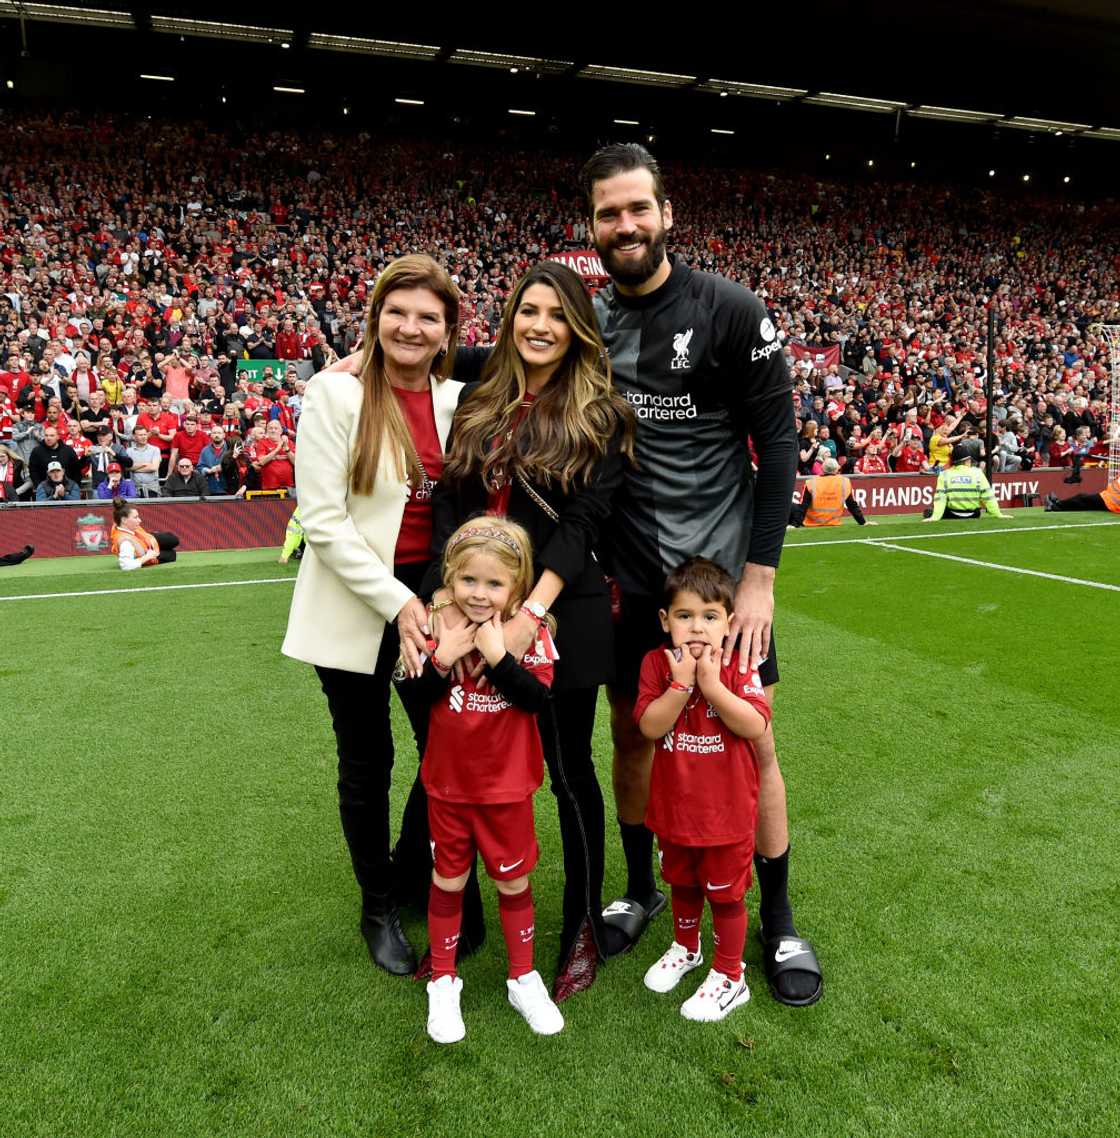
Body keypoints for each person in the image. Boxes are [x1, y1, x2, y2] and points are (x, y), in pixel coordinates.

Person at [582, 143, 821, 1006]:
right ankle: (644, 887)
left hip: (719, 585)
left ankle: (780, 917)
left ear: (667, 212)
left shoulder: (727, 310)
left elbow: (781, 442)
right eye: (610, 213)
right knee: (634, 734)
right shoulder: (588, 320)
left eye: (638, 208)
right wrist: (381, 360)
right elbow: (503, 357)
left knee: (751, 741)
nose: (626, 225)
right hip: (629, 577)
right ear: (594, 225)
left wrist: (760, 578)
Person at [424, 260, 636, 1000]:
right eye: (528, 311)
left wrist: (527, 616)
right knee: (453, 762)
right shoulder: (482, 396)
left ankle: (580, 929)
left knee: (568, 774)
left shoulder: (600, 411)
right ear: (511, 317)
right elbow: (451, 498)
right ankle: (461, 927)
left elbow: (582, 527)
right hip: (468, 604)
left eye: (556, 314)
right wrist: (453, 600)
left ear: (578, 327)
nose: (540, 325)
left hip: (556, 612)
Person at [281, 254, 473, 978]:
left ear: (449, 327)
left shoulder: (461, 396)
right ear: (375, 316)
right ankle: (378, 903)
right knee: (368, 761)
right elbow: (324, 521)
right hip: (361, 601)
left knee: (443, 752)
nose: (411, 327)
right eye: (398, 312)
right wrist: (399, 604)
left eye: (428, 315)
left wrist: (434, 598)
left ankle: (409, 869)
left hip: (437, 599)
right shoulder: (334, 396)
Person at [402, 518, 564, 1044]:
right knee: (448, 879)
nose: (480, 593)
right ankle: (444, 980)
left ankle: (523, 975)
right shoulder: (434, 622)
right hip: (447, 787)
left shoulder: (529, 631)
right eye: (469, 580)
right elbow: (416, 698)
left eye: (494, 584)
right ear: (450, 576)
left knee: (512, 881)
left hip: (507, 789)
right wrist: (443, 658)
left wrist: (496, 657)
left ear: (517, 586)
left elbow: (537, 700)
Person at [635, 558, 771, 1022]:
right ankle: (687, 947)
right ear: (665, 621)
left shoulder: (738, 664)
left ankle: (731, 976)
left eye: (710, 617)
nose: (697, 627)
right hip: (674, 811)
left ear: (729, 623)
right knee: (683, 884)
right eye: (685, 616)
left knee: (725, 896)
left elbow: (754, 724)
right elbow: (650, 728)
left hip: (726, 816)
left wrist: (711, 686)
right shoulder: (657, 663)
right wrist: (680, 685)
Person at [923, 444, 1013, 521]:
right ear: (967, 460)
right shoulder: (978, 473)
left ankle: (932, 512)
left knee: (934, 508)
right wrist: (998, 514)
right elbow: (988, 497)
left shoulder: (944, 475)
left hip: (952, 514)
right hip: (974, 514)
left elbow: (940, 499)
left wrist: (935, 517)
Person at [789, 458, 877, 527]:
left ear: (822, 469)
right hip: (833, 521)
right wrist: (863, 522)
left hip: (811, 522)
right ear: (836, 469)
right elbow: (852, 505)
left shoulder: (811, 482)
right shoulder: (845, 482)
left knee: (789, 505)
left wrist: (795, 525)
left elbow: (803, 507)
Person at [110, 497, 180, 569]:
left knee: (173, 540)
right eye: (135, 517)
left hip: (147, 539)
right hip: (147, 551)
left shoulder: (121, 525)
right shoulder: (125, 541)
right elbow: (126, 566)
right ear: (124, 520)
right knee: (172, 555)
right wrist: (147, 557)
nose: (140, 520)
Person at [1045, 472, 1120, 514]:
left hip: (1110, 502)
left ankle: (1054, 506)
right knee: (1083, 503)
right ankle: (1057, 503)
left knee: (1082, 498)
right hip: (1108, 498)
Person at [126, 426, 162, 497]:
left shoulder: (155, 449)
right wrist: (144, 464)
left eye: (145, 434)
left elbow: (153, 468)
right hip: (135, 489)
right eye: (140, 435)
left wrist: (134, 469)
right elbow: (127, 468)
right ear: (134, 436)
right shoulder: (129, 451)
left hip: (152, 488)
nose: (143, 437)